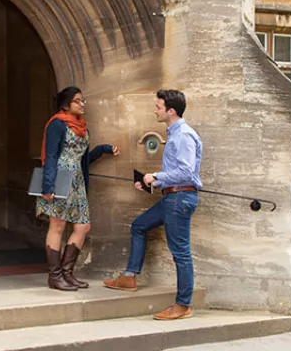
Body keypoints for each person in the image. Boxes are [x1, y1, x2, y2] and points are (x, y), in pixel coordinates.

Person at [103, 89, 202, 321]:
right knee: (139, 225)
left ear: (171, 111)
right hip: (171, 197)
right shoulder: (175, 133)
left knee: (181, 253)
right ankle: (129, 277)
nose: (154, 110)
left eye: (158, 107)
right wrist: (152, 182)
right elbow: (176, 173)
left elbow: (186, 172)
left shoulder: (183, 135)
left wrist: (155, 175)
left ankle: (183, 305)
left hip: (179, 199)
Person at [38, 86, 119, 291]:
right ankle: (55, 276)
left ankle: (67, 273)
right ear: (66, 104)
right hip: (59, 178)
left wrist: (102, 150)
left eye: (83, 100)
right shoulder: (56, 124)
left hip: (77, 181)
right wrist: (48, 186)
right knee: (57, 227)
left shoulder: (82, 126)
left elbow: (82, 159)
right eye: (77, 101)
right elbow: (51, 156)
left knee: (83, 226)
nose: (82, 104)